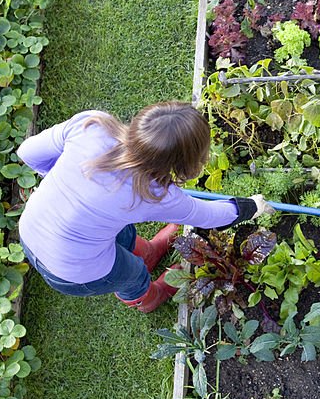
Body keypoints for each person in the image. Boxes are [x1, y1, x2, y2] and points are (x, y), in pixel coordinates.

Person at [16, 102, 272, 313]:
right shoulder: (154, 194)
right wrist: (252, 207)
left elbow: (27, 152)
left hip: (30, 229)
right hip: (70, 270)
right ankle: (150, 298)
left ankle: (148, 252)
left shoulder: (92, 125)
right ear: (184, 163)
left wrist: (64, 182)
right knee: (132, 273)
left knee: (121, 231)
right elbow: (208, 216)